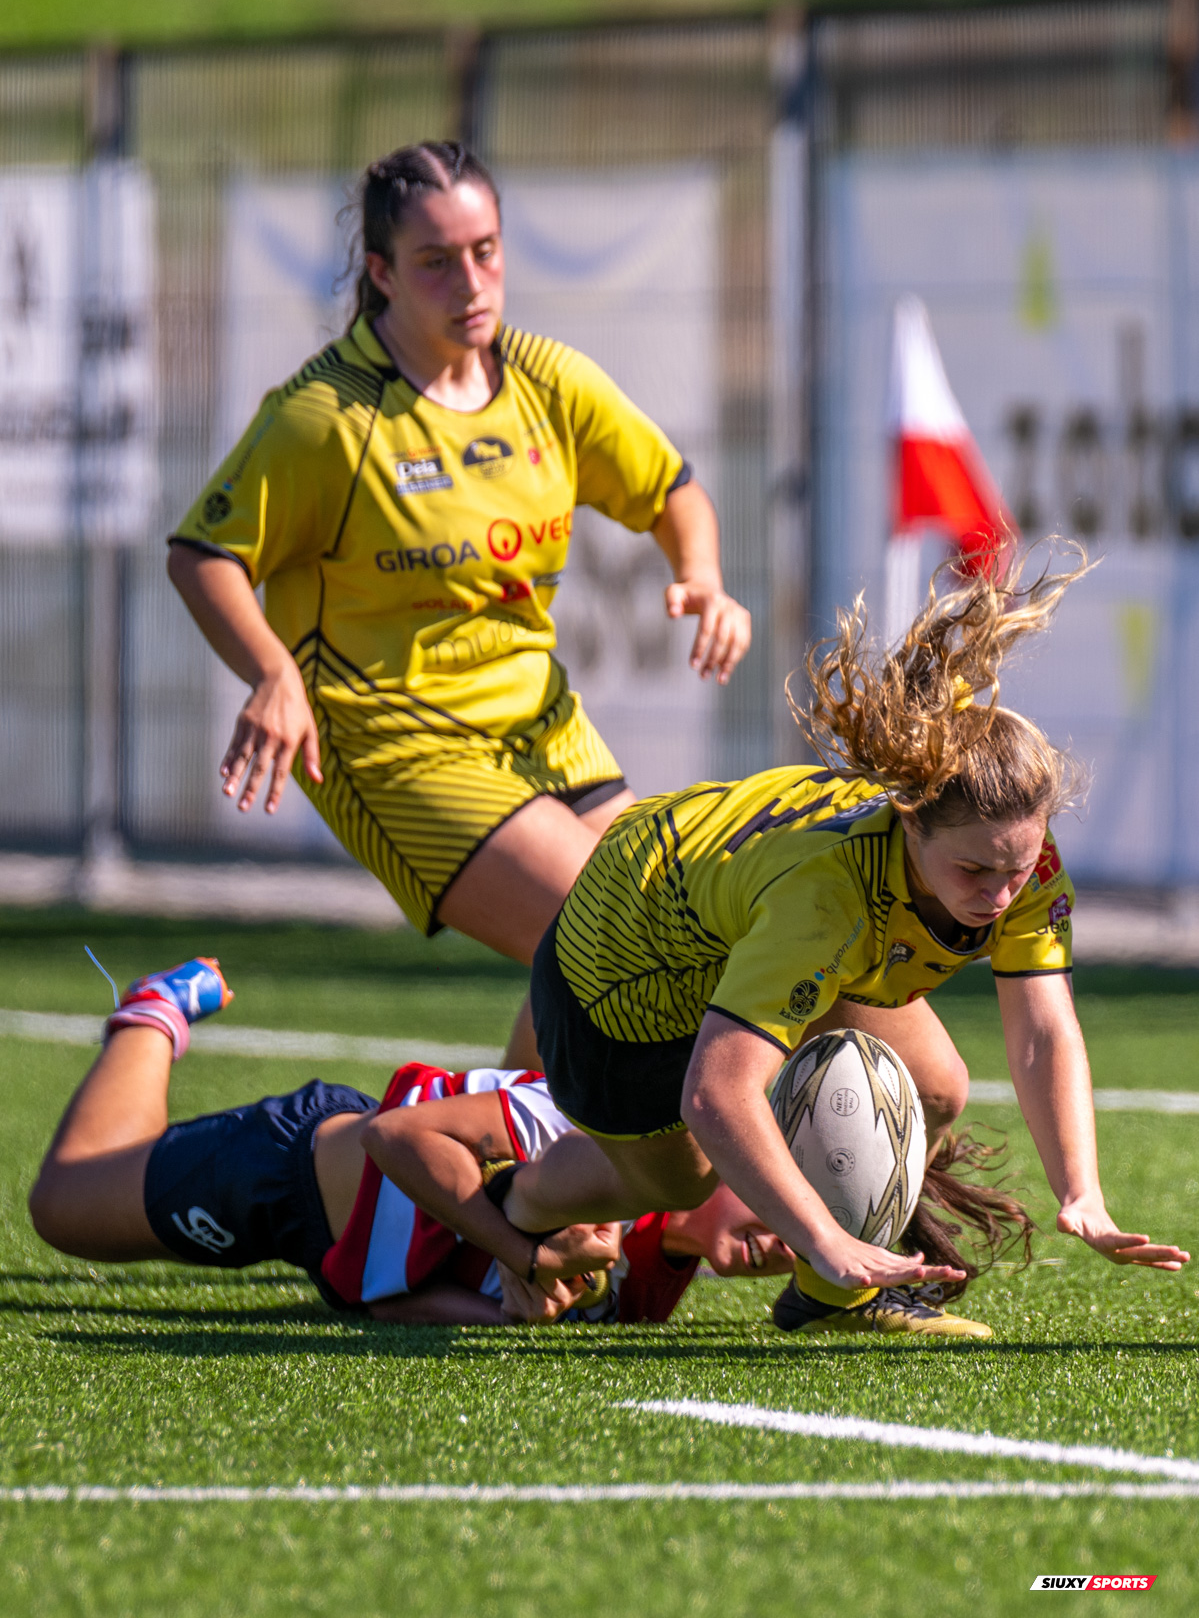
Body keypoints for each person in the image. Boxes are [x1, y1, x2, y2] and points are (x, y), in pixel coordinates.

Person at [492, 549, 1192, 1335]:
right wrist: (824, 1238)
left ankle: (827, 1303)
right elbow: (715, 1094)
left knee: (934, 1087)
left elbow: (1041, 1033)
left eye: (1015, 868)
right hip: (620, 965)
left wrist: (1080, 1192)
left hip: (739, 920)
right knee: (679, 1179)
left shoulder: (1015, 857)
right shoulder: (825, 900)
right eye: (972, 871)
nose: (999, 897)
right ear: (909, 824)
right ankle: (516, 1200)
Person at [165, 143, 752, 1068]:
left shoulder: (548, 382)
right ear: (382, 273)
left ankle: (494, 1150)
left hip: (541, 724)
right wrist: (272, 672)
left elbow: (670, 487)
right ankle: (523, 1155)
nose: (470, 282)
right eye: (436, 261)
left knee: (672, 925)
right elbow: (203, 556)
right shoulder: (327, 418)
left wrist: (704, 575)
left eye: (485, 251)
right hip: (388, 737)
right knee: (615, 931)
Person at [27, 958, 794, 1328]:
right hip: (290, 1164)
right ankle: (157, 1011)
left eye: (807, 1243)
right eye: (789, 1210)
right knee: (63, 1206)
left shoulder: (649, 1300)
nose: (784, 1247)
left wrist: (507, 1318)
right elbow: (396, 1135)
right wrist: (520, 1253)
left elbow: (398, 1306)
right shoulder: (610, 1138)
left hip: (331, 1255)